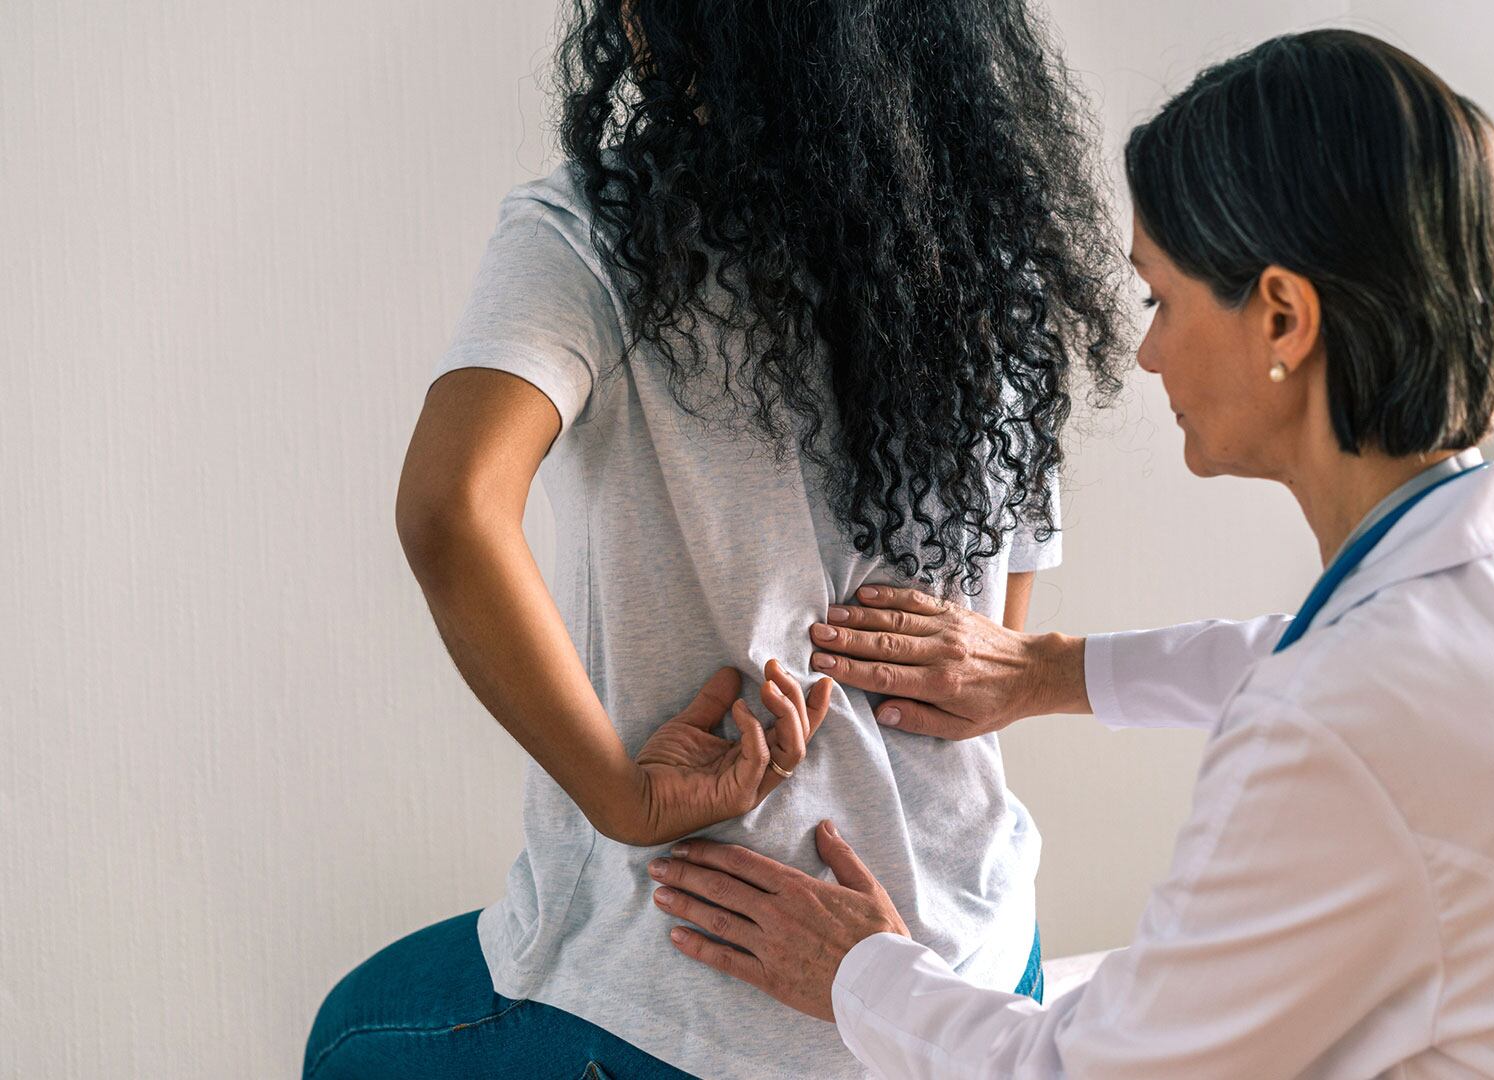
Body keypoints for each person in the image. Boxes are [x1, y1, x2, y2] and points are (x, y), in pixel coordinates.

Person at [645, 29, 1494, 1078]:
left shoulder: (1344, 720)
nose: (1146, 352)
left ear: (1282, 320)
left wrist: (856, 971)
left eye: (1161, 298)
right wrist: (1051, 672)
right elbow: (1332, 662)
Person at [303, 3, 1128, 1078]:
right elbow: (994, 636)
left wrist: (624, 797)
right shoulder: (989, 242)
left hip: (696, 999)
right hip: (976, 971)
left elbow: (451, 508)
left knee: (350, 1037)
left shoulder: (599, 233)